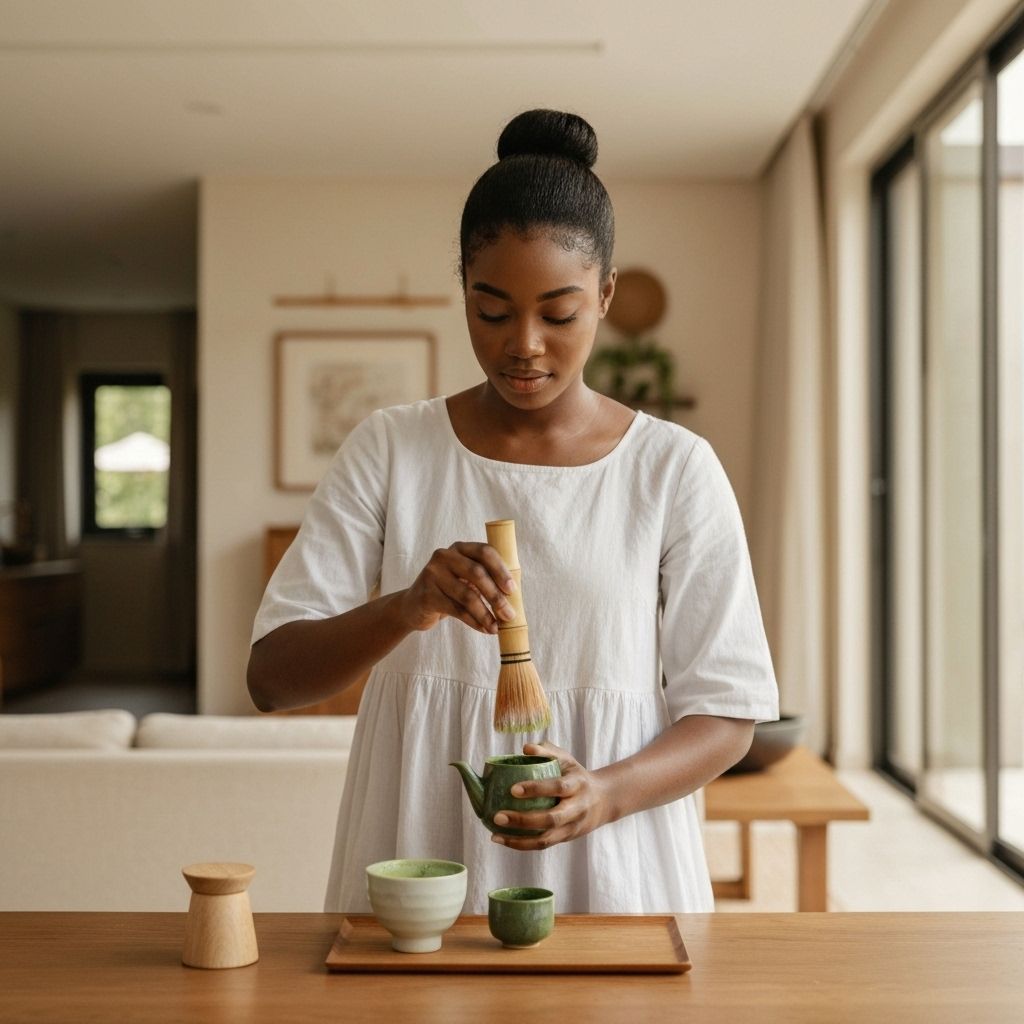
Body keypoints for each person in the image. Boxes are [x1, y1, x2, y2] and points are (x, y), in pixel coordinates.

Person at [247, 109, 778, 915]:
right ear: (463, 289)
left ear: (603, 297)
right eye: (492, 311)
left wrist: (604, 792)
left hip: (616, 865)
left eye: (558, 314)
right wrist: (408, 606)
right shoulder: (392, 449)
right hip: (419, 867)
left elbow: (728, 711)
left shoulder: (673, 469)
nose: (523, 344)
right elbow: (271, 679)